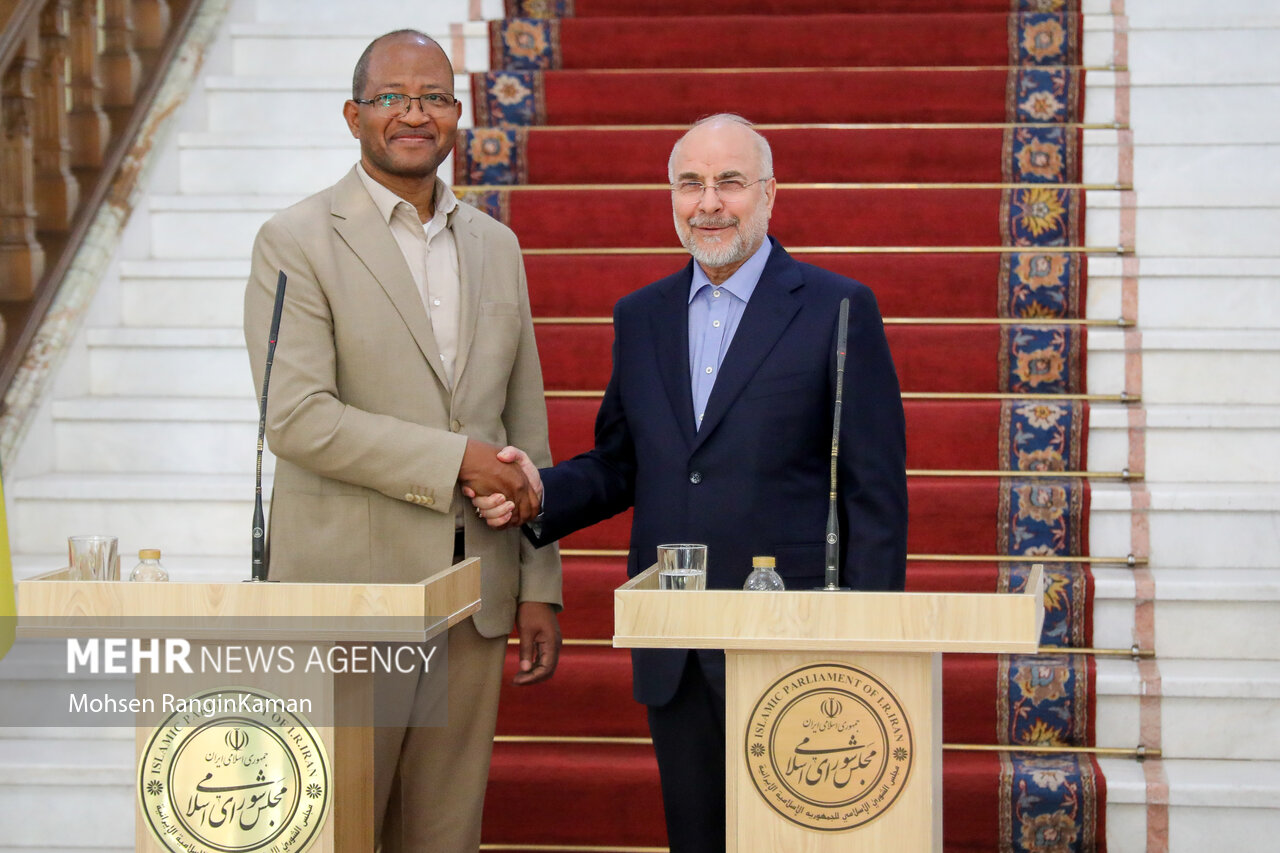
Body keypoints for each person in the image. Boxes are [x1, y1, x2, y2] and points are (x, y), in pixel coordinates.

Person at [469, 114, 909, 853]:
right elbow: (623, 462)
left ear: (769, 193)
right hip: (675, 641)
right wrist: (537, 493)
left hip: (797, 641)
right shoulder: (641, 316)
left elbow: (876, 494)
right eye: (690, 184)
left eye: (729, 182)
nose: (708, 203)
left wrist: (868, 644)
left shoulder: (838, 308)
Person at [243, 29, 562, 853]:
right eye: (391, 97)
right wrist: (457, 461)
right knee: (337, 831)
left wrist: (540, 582)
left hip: (474, 597)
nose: (414, 115)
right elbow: (298, 416)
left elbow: (524, 429)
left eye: (433, 98)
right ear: (354, 115)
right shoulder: (296, 239)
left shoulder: (497, 245)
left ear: (457, 114)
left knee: (444, 836)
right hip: (349, 595)